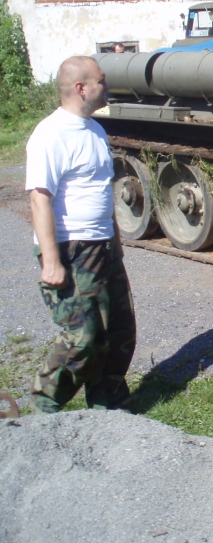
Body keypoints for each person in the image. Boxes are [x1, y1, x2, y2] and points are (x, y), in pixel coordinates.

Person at [25, 56, 136, 413]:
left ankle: (110, 406)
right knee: (82, 338)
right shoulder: (50, 134)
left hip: (103, 245)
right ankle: (43, 406)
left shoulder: (95, 130)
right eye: (102, 81)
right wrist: (51, 261)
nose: (107, 87)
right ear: (81, 88)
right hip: (72, 248)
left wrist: (114, 238)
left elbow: (102, 190)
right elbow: (40, 199)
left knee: (118, 331)